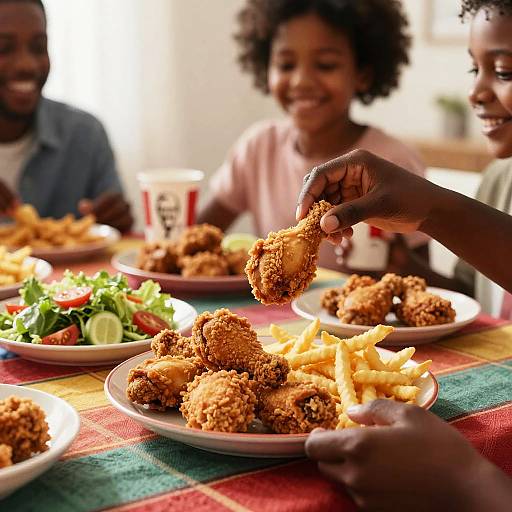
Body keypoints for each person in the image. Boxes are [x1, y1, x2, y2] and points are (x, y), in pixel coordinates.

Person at [297, 149, 512, 511]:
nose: (476, 91)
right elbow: (467, 284)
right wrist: (432, 209)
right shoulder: (500, 175)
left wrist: (463, 482)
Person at [197, 0, 430, 276]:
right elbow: (197, 238)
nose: (301, 81)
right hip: (275, 313)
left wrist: (402, 266)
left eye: (325, 65)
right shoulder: (258, 147)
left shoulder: (392, 161)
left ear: (363, 75)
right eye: (286, 65)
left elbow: (425, 280)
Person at [0, 0, 133, 232]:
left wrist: (116, 221)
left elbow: (112, 237)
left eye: (39, 47)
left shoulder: (86, 135)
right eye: (3, 48)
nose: (27, 65)